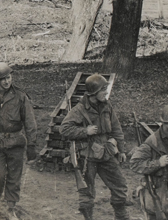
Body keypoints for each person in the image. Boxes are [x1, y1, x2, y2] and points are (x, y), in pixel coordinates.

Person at [61, 74, 129, 220]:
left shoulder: (107, 105)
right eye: (103, 90)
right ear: (93, 93)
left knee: (120, 185)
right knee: (87, 192)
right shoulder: (79, 109)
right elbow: (64, 129)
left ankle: (122, 217)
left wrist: (122, 150)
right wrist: (84, 131)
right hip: (87, 157)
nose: (106, 92)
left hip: (106, 153)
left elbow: (116, 128)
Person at [0, 62, 37, 219]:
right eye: (3, 79)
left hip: (16, 142)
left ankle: (11, 207)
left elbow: (30, 122)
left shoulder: (20, 96)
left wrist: (31, 145)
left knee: (14, 177)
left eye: (9, 77)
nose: (7, 81)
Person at [131, 105, 168, 220]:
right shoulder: (152, 142)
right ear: (163, 124)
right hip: (158, 193)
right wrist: (158, 163)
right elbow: (135, 163)